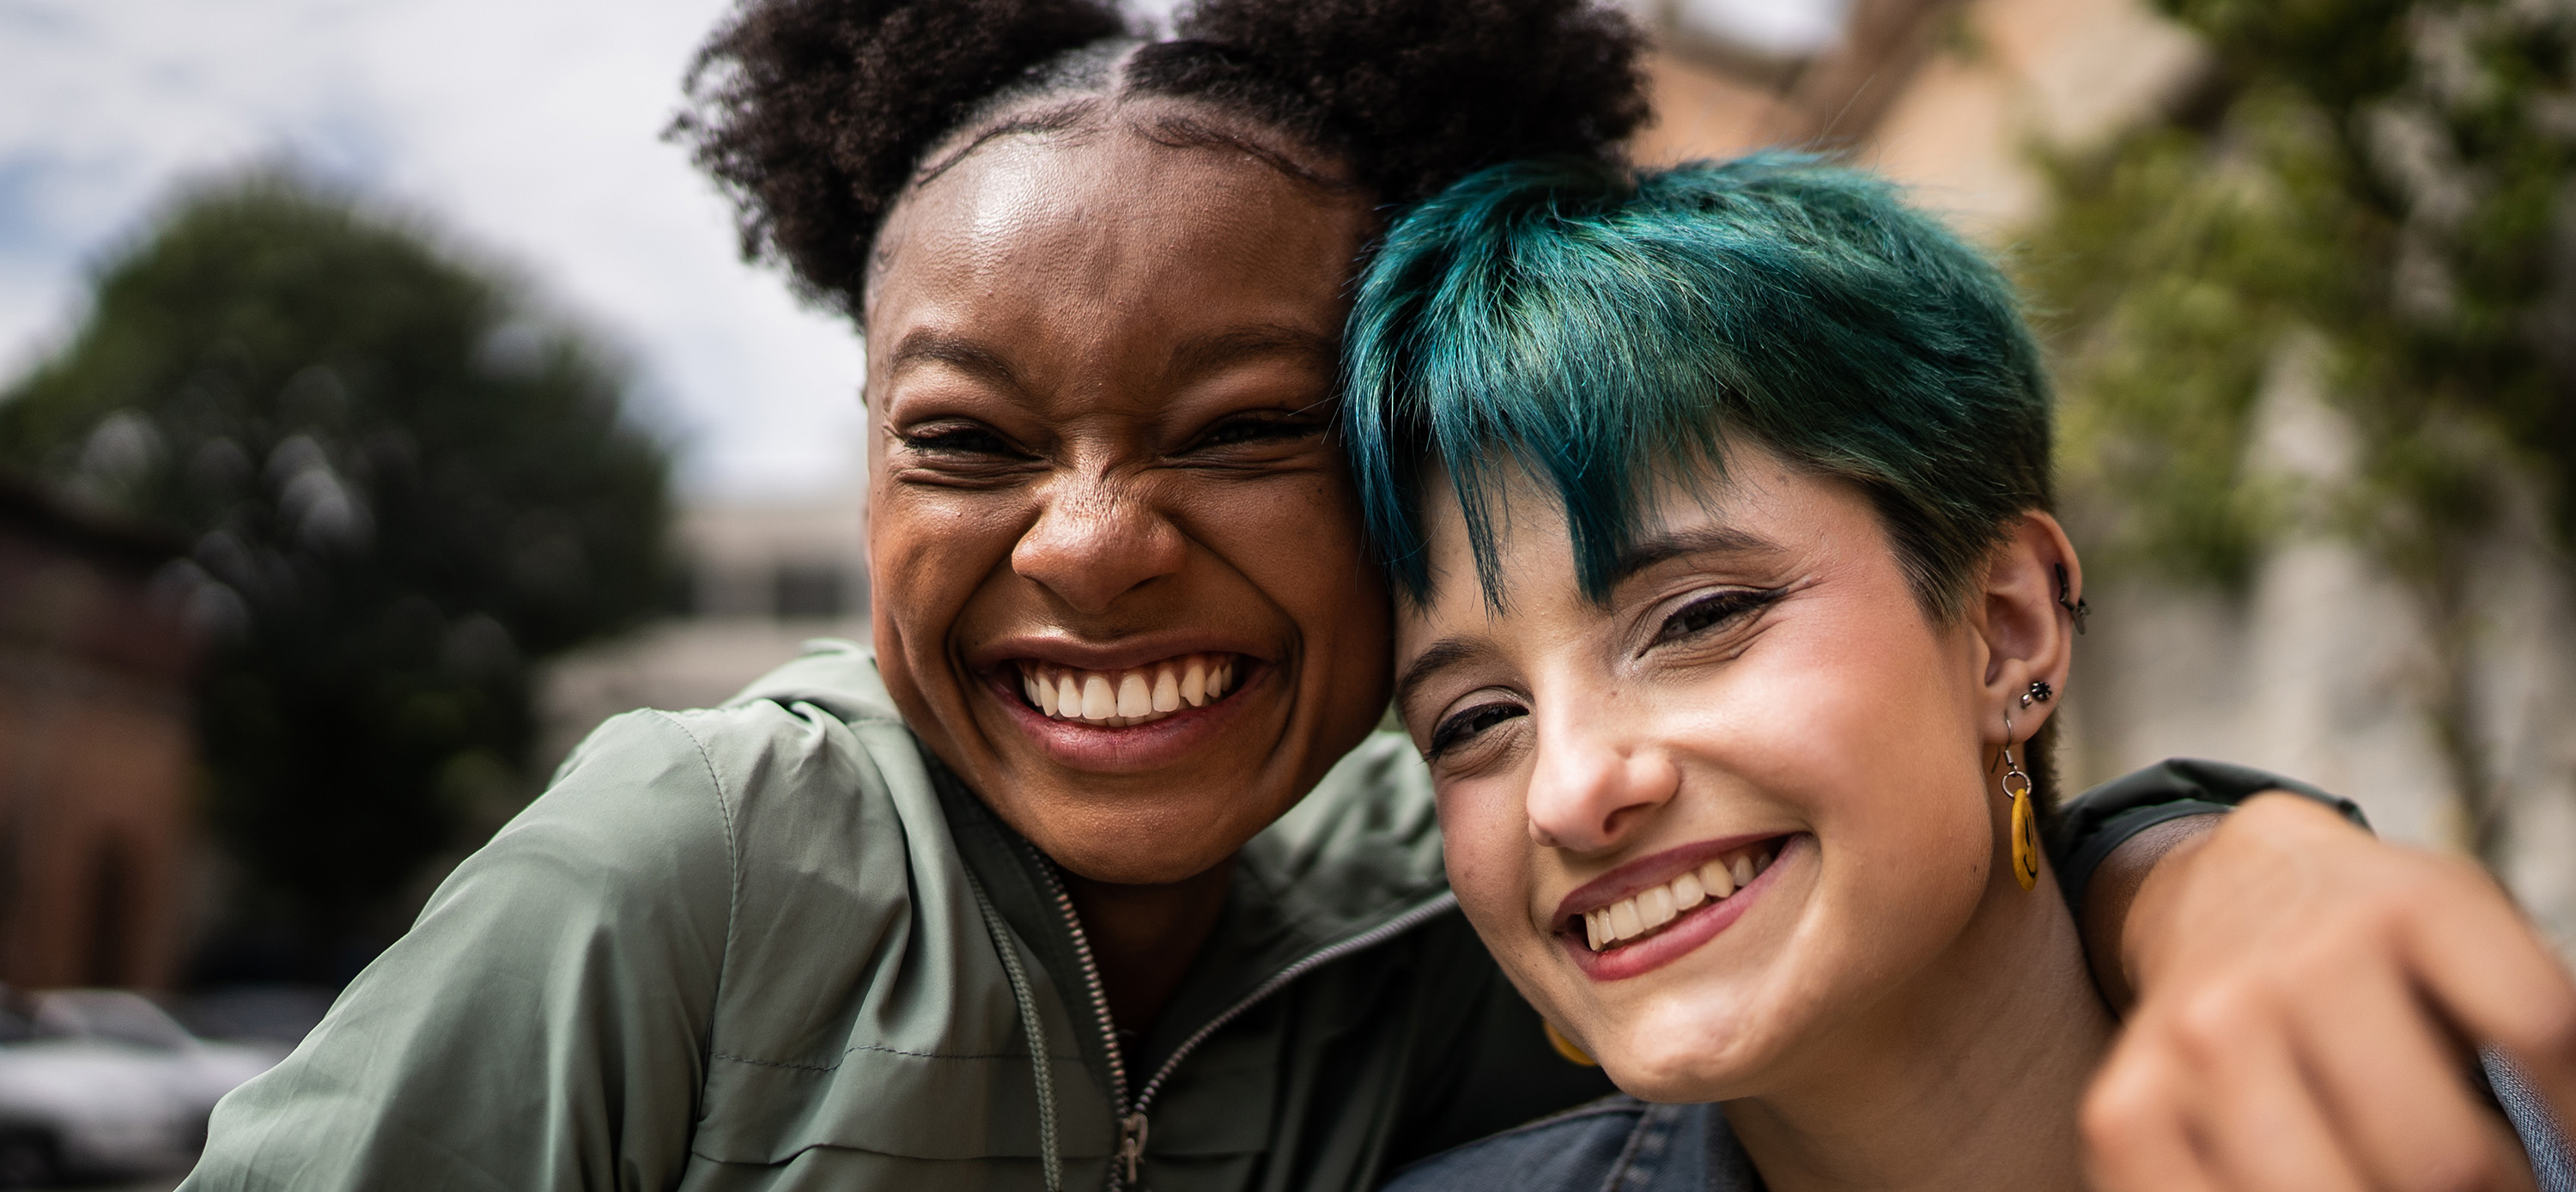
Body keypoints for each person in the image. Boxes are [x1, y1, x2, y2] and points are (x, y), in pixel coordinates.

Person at [179, 3, 2576, 1190]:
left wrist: (2228, 854)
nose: (1094, 538)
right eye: (963, 437)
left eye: (1235, 431)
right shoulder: (698, 858)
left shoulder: (1435, 926)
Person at [1340, 154, 2576, 1192]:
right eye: (1473, 720)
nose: (1567, 789)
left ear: (2009, 626)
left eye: (1698, 617)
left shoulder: (2493, 1117)